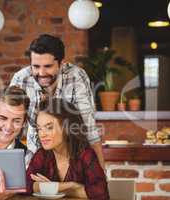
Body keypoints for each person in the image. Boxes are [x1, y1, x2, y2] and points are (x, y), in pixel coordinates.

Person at [10, 34, 105, 168]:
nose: (41, 73)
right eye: (36, 66)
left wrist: (101, 175)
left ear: (61, 63)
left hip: (72, 157)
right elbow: (11, 127)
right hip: (35, 156)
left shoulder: (76, 77)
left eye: (48, 66)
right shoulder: (21, 80)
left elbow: (89, 129)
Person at [26, 98, 109, 199]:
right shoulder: (42, 155)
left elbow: (100, 193)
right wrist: (73, 186)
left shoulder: (86, 155)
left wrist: (52, 189)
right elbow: (26, 185)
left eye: (49, 127)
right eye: (39, 128)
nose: (42, 134)